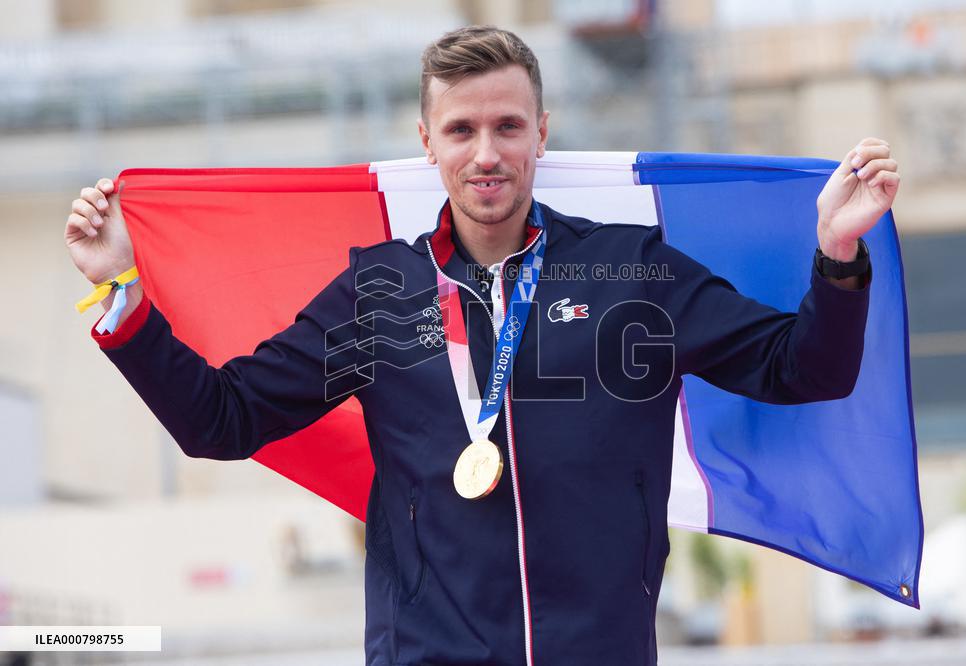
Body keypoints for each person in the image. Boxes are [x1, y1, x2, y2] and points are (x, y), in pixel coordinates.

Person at [64, 26, 898, 666]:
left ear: (542, 132)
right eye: (461, 130)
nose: (487, 153)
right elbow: (222, 420)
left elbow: (805, 369)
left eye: (507, 126)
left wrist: (836, 255)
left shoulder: (627, 269)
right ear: (428, 143)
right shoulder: (381, 293)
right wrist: (122, 299)